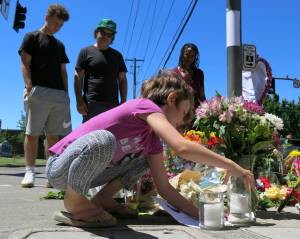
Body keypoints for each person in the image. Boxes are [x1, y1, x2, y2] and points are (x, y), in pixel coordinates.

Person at [46, 71, 254, 227]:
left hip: (90, 176)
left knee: (145, 159)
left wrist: (202, 213)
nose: (182, 123)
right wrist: (232, 165)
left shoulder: (151, 140)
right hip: (61, 168)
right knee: (104, 140)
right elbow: (181, 146)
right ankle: (75, 204)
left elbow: (164, 188)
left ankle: (102, 199)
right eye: (183, 113)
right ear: (171, 99)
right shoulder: (145, 106)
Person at [19, 4, 72, 188]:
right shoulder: (32, 37)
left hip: (59, 95)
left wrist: (67, 94)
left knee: (53, 136)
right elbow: (25, 63)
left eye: (60, 25)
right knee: (32, 133)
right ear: (47, 17)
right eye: (55, 23)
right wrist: (28, 84)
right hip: (38, 91)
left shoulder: (59, 45)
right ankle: (30, 172)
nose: (57, 27)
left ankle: (51, 175)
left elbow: (63, 71)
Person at [74, 19, 128, 123]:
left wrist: (124, 101)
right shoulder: (85, 52)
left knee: (111, 137)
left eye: (109, 35)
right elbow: (78, 77)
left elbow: (122, 80)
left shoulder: (117, 56)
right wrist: (79, 102)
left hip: (113, 105)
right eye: (103, 33)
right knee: (90, 137)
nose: (105, 37)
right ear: (96, 32)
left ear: (112, 38)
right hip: (91, 104)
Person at [173, 43, 206, 108]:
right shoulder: (173, 73)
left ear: (195, 57)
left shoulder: (199, 73)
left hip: (196, 113)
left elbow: (202, 96)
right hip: (179, 112)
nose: (189, 58)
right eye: (187, 55)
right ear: (182, 54)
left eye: (192, 56)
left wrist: (207, 110)